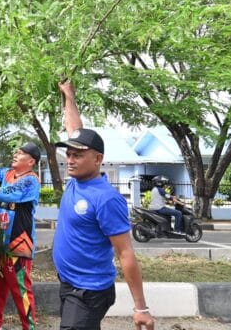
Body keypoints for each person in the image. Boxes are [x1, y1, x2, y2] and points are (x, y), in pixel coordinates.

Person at [54, 80, 155, 330]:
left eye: (77, 155)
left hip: (89, 291)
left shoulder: (106, 198)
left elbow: (125, 253)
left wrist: (140, 308)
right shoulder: (76, 181)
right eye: (68, 154)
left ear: (98, 159)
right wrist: (69, 96)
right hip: (69, 283)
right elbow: (74, 129)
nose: (70, 160)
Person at [0, 143, 41, 330]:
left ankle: (29, 327)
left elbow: (9, 194)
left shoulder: (31, 181)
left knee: (20, 291)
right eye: (17, 151)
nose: (16, 154)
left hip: (18, 244)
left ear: (31, 161)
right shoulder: (7, 173)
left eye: (21, 153)